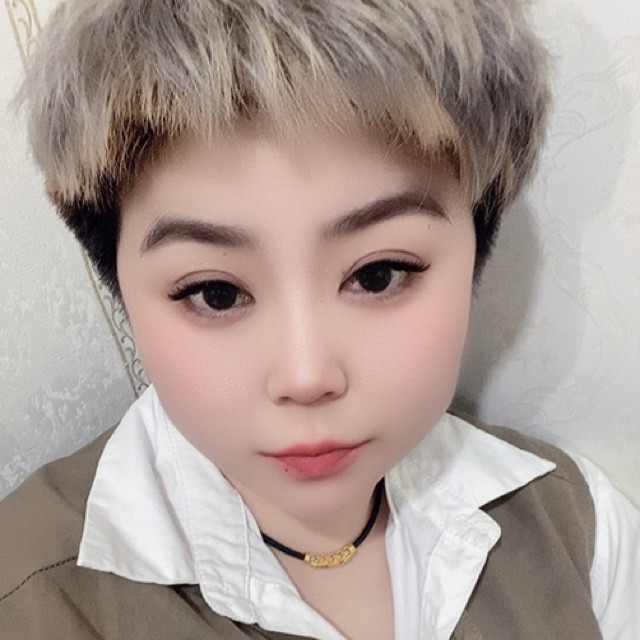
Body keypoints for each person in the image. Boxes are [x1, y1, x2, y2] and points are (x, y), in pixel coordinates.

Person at [1, 0, 638, 638]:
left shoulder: (579, 532)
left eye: (378, 274)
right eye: (216, 293)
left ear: (477, 247)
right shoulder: (30, 598)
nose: (306, 377)